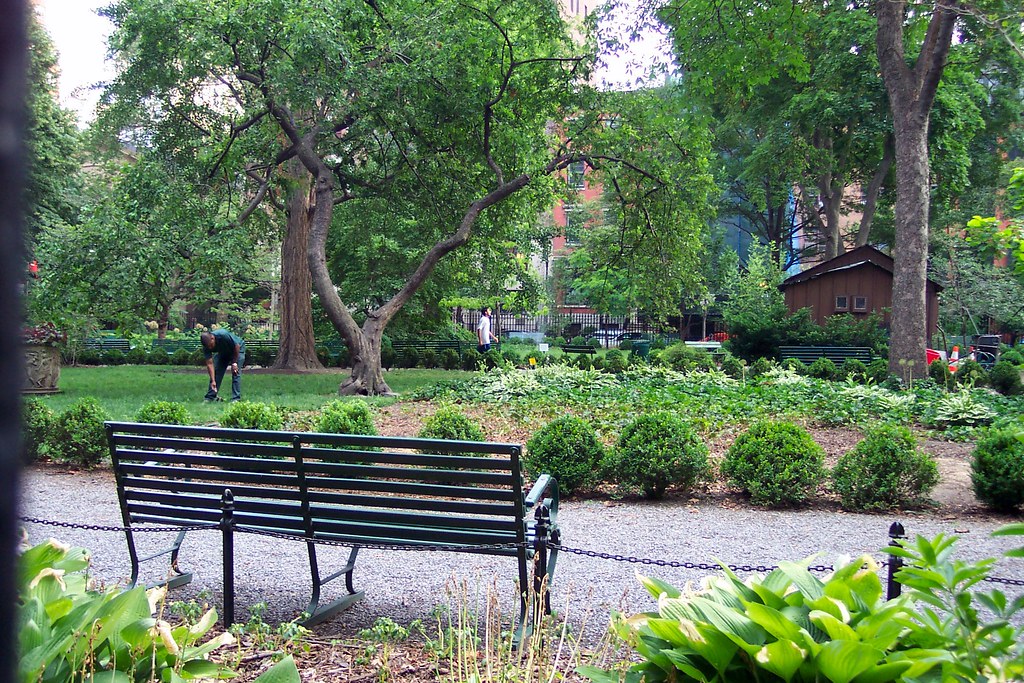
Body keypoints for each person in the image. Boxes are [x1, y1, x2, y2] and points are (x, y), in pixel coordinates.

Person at [201, 329, 246, 401]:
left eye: (211, 345)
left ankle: (236, 398)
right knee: (217, 372)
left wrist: (234, 363)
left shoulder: (223, 335)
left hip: (238, 350)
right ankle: (210, 397)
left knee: (235, 372)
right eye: (208, 347)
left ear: (212, 338)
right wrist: (213, 380)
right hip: (224, 352)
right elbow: (210, 364)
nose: (210, 348)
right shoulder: (206, 346)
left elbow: (236, 346)